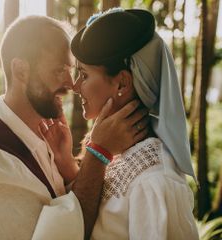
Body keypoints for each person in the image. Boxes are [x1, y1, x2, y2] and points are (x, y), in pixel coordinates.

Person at [0, 15, 149, 239]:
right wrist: (98, 151)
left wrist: (68, 165)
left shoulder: (44, 134)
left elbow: (64, 211)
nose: (72, 85)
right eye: (59, 70)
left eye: (70, 70)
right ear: (21, 70)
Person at [43, 8, 199, 240]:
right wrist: (67, 164)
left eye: (84, 75)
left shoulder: (154, 181)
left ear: (122, 84)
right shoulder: (116, 153)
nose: (75, 87)